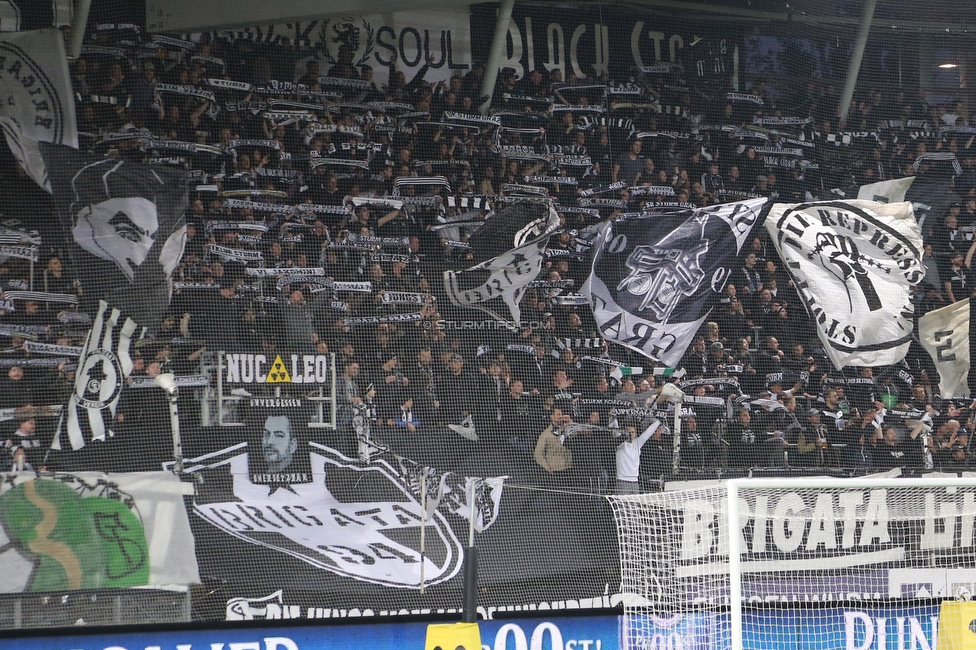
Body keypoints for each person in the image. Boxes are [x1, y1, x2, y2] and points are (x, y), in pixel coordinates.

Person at [615, 417, 662, 493]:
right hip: (622, 481)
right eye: (628, 432)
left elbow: (648, 433)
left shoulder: (637, 443)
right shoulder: (620, 444)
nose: (630, 434)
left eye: (632, 432)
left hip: (635, 481)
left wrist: (658, 421)